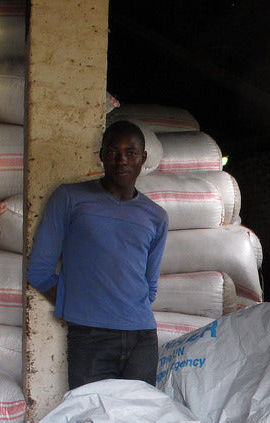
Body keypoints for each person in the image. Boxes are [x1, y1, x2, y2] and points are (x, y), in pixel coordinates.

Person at [27, 120, 168, 389]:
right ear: (102, 155)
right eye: (113, 152)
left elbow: (150, 287)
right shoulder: (70, 198)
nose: (121, 160)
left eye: (131, 153)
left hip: (142, 338)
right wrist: (78, 308)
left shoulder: (156, 217)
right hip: (90, 337)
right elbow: (39, 271)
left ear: (143, 159)